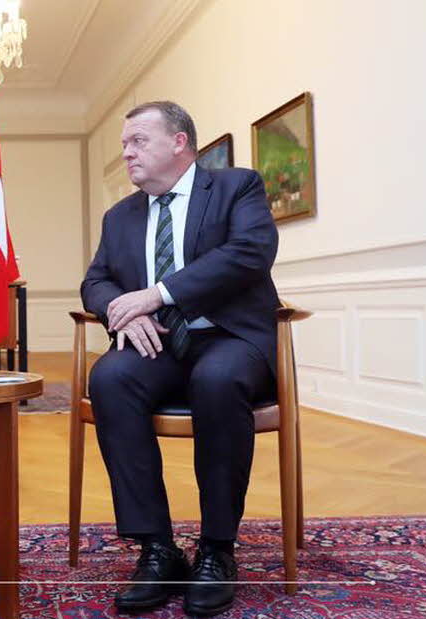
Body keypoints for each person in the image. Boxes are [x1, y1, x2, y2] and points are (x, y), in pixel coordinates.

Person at [80, 101, 280, 616]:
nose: (126, 152)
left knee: (216, 380)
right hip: (160, 345)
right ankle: (157, 548)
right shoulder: (119, 215)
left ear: (179, 142)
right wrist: (121, 312)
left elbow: (249, 253)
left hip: (229, 337)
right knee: (110, 378)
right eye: (124, 144)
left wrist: (157, 294)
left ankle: (217, 548)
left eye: (138, 141)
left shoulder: (237, 187)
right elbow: (95, 281)